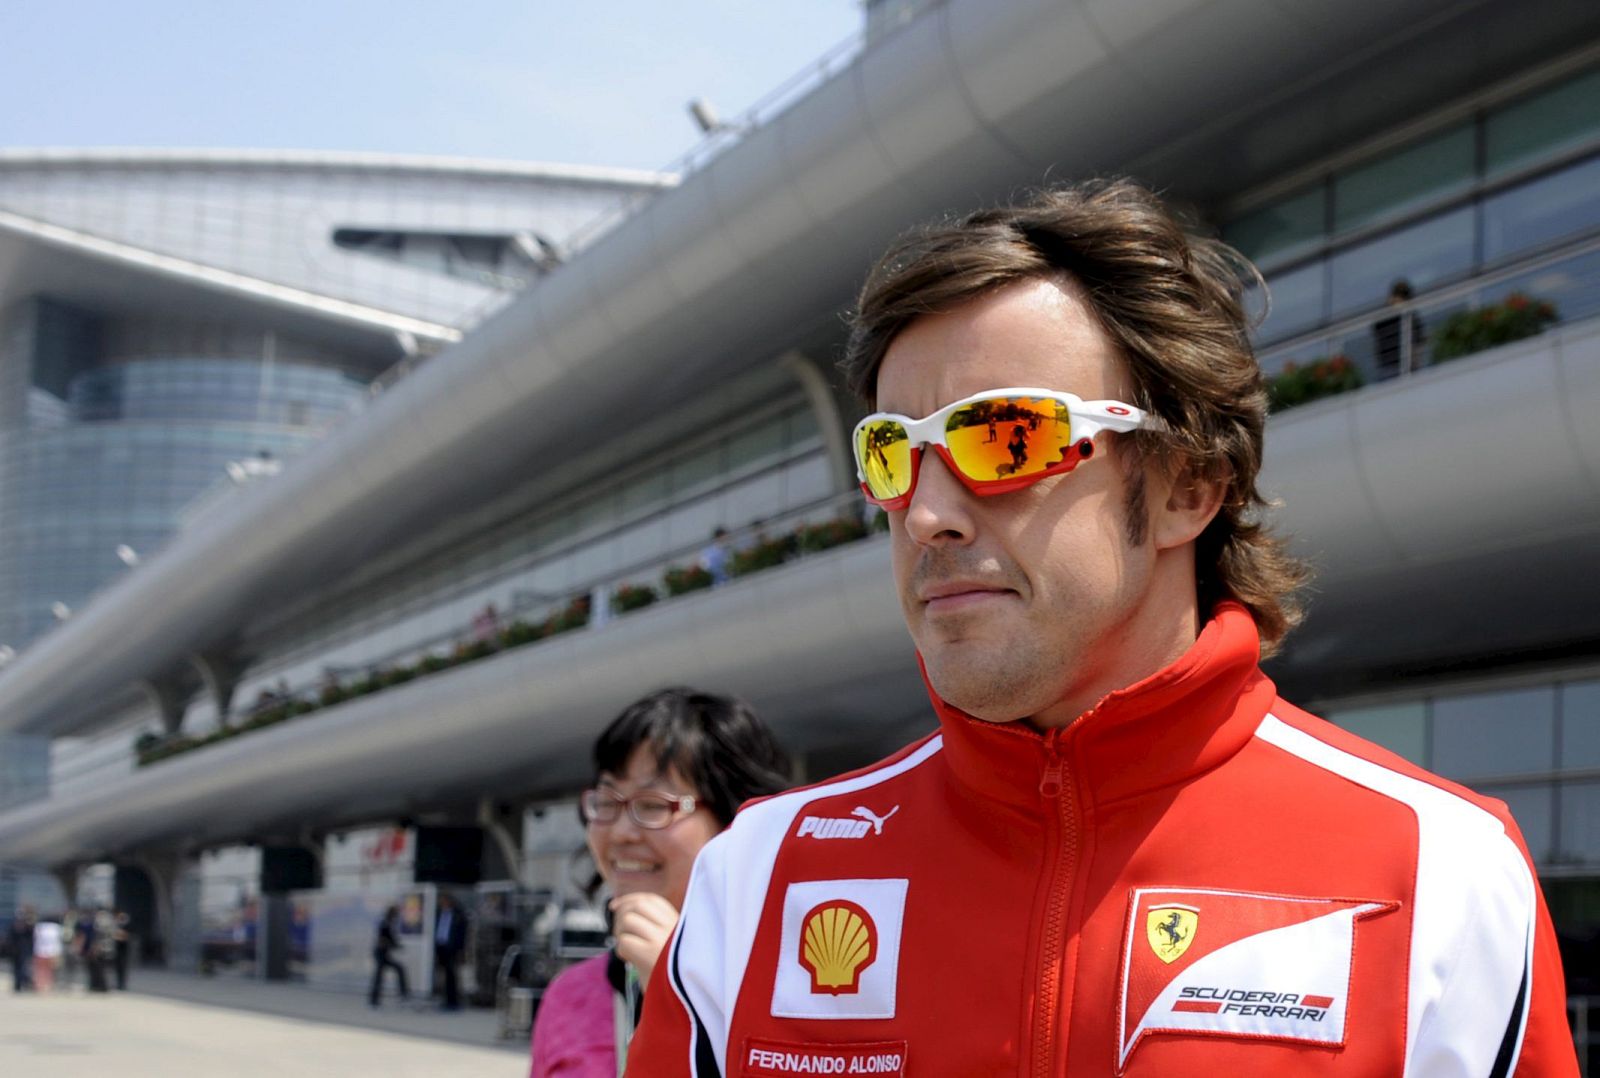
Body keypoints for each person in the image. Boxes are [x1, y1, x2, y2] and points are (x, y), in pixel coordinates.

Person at [626, 180, 1577, 1075]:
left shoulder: (1440, 869)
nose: (926, 513)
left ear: (1188, 485)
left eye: (1002, 436)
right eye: (892, 453)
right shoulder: (755, 877)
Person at [530, 687, 790, 1078]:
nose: (620, 832)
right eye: (607, 801)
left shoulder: (790, 992)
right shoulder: (568, 996)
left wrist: (680, 992)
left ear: (736, 819)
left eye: (652, 805)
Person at [1373, 277, 1426, 374]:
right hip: (1389, 366)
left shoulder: (1411, 317)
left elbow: (1419, 340)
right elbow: (1377, 328)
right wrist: (1389, 308)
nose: (1400, 300)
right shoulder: (1384, 316)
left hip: (1408, 366)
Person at [432, 892, 467, 1011]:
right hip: (440, 947)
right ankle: (445, 999)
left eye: (444, 900)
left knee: (452, 975)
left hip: (452, 948)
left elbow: (462, 935)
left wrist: (460, 950)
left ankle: (453, 1001)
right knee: (442, 976)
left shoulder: (458, 915)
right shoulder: (438, 913)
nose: (442, 903)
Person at [369, 904, 408, 1007]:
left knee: (398, 969)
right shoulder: (385, 923)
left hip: (384, 954)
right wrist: (394, 944)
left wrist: (396, 945)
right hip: (381, 954)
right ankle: (374, 1000)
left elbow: (390, 939)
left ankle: (403, 993)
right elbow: (383, 939)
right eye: (395, 914)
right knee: (379, 976)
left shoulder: (388, 923)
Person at [31, 913, 61, 994]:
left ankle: (39, 985)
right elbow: (57, 942)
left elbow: (35, 939)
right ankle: (48, 985)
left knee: (40, 970)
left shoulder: (39, 927)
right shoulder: (56, 928)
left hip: (40, 951)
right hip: (51, 951)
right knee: (49, 970)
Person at [7, 906, 35, 992]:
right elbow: (10, 938)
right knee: (16, 968)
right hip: (15, 951)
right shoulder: (13, 926)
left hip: (23, 950)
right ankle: (17, 985)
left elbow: (31, 937)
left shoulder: (27, 926)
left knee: (23, 968)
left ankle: (22, 984)